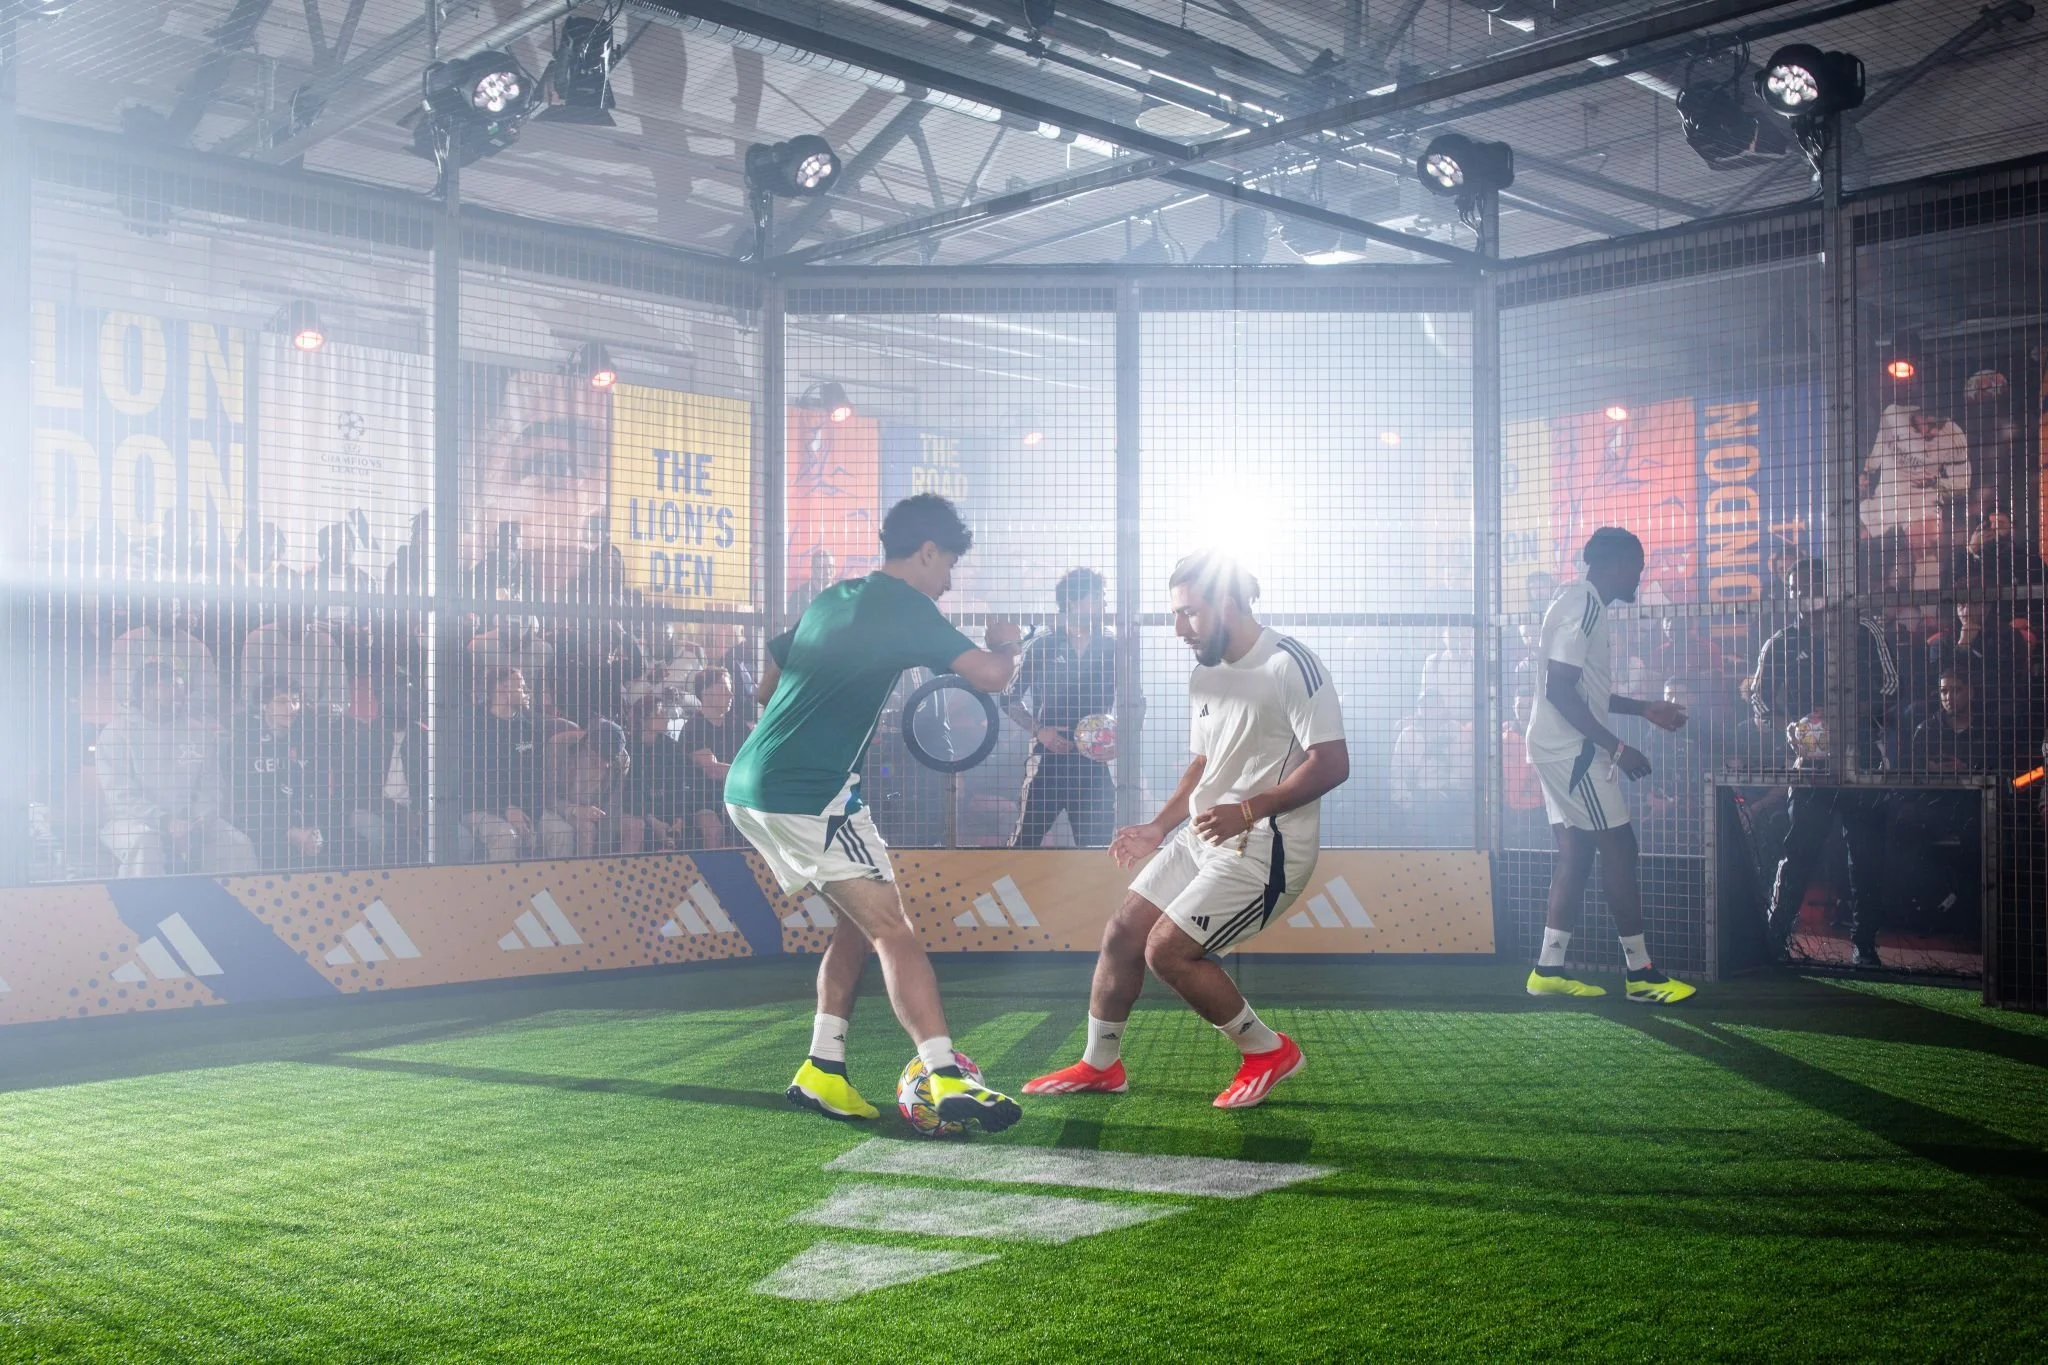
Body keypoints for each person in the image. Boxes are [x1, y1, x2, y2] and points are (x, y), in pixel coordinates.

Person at [726, 494, 1026, 1132]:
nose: (948, 582)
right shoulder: (908, 607)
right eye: (948, 566)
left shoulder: (834, 596)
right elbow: (992, 676)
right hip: (809, 792)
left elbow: (765, 683)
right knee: (894, 928)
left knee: (858, 925)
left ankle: (822, 1069)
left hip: (751, 782)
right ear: (926, 552)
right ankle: (945, 1074)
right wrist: (1009, 641)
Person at [1024, 551, 1350, 1109]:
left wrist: (1247, 811)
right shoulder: (1205, 670)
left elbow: (1332, 763)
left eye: (1189, 614)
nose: (1178, 630)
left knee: (1167, 951)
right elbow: (1204, 763)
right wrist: (1157, 826)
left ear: (1226, 603)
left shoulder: (1290, 663)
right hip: (1204, 835)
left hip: (1264, 850)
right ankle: (1101, 1065)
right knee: (1122, 933)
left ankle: (1267, 1051)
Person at [1521, 528, 1697, 1004]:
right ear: (1618, 564)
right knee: (1620, 846)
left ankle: (1548, 968)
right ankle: (1641, 975)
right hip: (1572, 751)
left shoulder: (1575, 599)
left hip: (1558, 745)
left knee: (1576, 852)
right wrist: (1619, 750)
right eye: (1638, 564)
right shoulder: (1585, 605)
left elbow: (1581, 689)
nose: (1641, 573)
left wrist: (1643, 708)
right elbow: (1560, 690)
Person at [1750, 557, 1900, 968]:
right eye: (1796, 586)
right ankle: (1775, 937)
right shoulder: (1781, 641)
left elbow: (1892, 688)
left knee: (1866, 857)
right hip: (1810, 770)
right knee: (1798, 852)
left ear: (1829, 586)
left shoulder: (1862, 630)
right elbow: (1759, 705)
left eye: (1812, 583)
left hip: (1862, 763)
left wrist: (1843, 717)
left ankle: (1864, 947)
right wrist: (1796, 728)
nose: (1803, 592)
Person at [97, 663, 257, 877]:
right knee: (145, 843)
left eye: (182, 686)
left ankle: (224, 908)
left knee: (237, 844)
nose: (180, 693)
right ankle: (145, 909)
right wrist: (165, 822)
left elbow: (212, 786)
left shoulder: (199, 732)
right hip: (131, 821)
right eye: (172, 686)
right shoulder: (116, 733)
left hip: (192, 821)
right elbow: (120, 795)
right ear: (147, 690)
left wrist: (199, 821)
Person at [1004, 567, 1118, 848]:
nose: (1103, 605)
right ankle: (1007, 893)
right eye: (1096, 598)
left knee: (1098, 852)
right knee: (1022, 846)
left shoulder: (1113, 647)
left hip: (1093, 764)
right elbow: (1008, 698)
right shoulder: (1043, 646)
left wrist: (1121, 738)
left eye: (1103, 599)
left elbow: (1135, 701)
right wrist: (1039, 731)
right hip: (1048, 761)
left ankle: (1094, 894)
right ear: (1072, 602)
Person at [226, 676, 336, 869]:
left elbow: (320, 793)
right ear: (263, 705)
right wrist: (286, 831)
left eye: (295, 701)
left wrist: (313, 830)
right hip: (261, 830)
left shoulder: (310, 739)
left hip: (305, 826)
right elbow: (246, 803)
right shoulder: (243, 742)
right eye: (281, 701)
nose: (291, 708)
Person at [459, 666, 562, 861]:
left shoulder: (531, 726)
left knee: (561, 832)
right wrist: (504, 809)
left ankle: (553, 890)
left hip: (525, 807)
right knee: (506, 836)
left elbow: (536, 778)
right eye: (522, 687)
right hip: (478, 807)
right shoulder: (472, 725)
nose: (528, 692)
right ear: (503, 689)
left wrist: (527, 811)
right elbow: (471, 781)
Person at [678, 668, 748, 849]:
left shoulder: (738, 725)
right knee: (713, 830)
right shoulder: (693, 728)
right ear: (706, 692)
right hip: (702, 799)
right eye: (724, 689)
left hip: (738, 796)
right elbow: (712, 770)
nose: (731, 693)